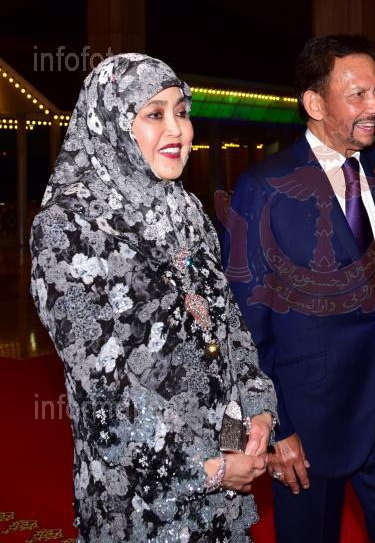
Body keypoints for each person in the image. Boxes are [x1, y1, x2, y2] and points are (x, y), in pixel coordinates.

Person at [30, 54, 277, 543]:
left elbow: (224, 326)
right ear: (112, 124)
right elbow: (104, 390)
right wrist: (206, 468)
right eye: (154, 114)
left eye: (181, 111)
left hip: (223, 470)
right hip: (142, 496)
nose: (177, 129)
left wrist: (256, 412)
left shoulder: (186, 210)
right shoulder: (67, 228)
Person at [224, 35, 375, 543]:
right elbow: (246, 323)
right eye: (358, 94)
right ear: (315, 104)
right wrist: (277, 426)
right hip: (309, 422)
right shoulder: (264, 187)